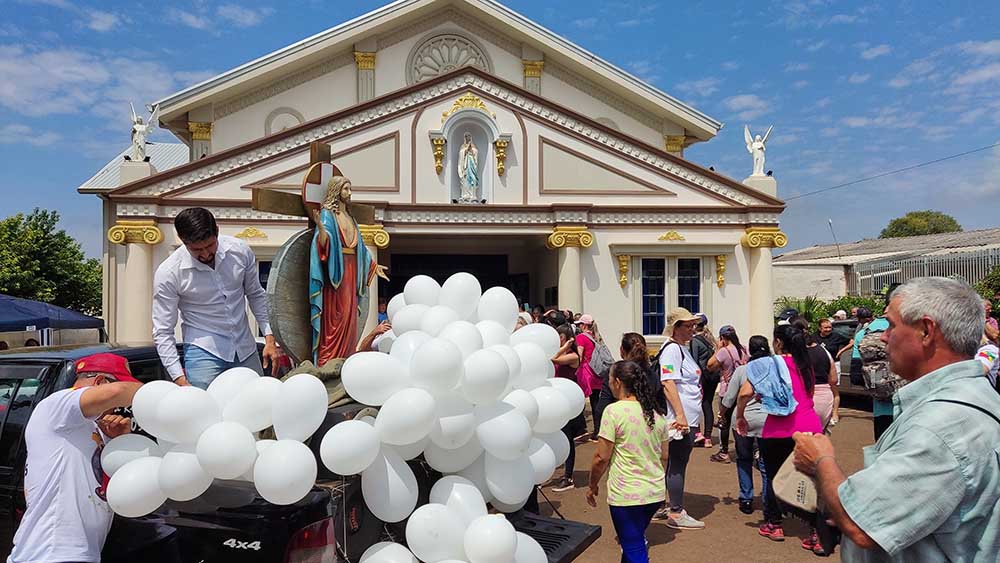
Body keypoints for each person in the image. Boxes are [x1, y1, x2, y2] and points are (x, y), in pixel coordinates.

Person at [793, 277, 1000, 562]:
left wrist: (820, 460)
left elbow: (862, 525)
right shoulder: (975, 398)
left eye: (891, 325)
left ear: (926, 331)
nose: (883, 336)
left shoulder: (939, 426)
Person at [8, 353, 142, 563]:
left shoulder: (98, 426)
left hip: (77, 554)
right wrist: (162, 394)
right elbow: (118, 391)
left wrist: (120, 441)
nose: (120, 407)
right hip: (50, 554)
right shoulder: (57, 406)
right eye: (119, 402)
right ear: (99, 382)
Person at [153, 208, 280, 389]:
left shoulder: (240, 251)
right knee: (205, 413)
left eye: (210, 245)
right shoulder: (168, 273)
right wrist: (179, 379)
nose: (205, 254)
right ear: (183, 241)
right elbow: (163, 331)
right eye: (196, 249)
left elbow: (256, 294)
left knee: (258, 406)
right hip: (202, 353)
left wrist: (269, 337)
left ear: (217, 231)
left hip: (245, 348)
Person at [736, 324, 823, 543]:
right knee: (811, 479)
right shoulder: (806, 365)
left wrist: (740, 415)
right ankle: (816, 532)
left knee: (775, 477)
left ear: (778, 342)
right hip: (809, 425)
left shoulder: (768, 364)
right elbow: (809, 394)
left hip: (778, 428)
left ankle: (774, 524)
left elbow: (745, 393)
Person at [587, 360, 672, 563]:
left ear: (617, 382)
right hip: (654, 492)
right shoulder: (658, 415)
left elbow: (601, 457)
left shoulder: (613, 412)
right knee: (632, 541)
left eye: (609, 381)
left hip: (626, 496)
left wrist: (592, 485)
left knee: (634, 547)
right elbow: (665, 456)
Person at [652, 307, 705, 529]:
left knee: (673, 462)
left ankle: (662, 506)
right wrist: (681, 415)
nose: (693, 328)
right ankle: (675, 511)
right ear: (676, 328)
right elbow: (668, 382)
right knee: (677, 463)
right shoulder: (673, 349)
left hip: (684, 416)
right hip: (680, 418)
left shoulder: (680, 348)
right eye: (688, 325)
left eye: (694, 324)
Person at [719, 335, 771, 515]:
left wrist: (722, 414)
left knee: (744, 459)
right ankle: (768, 499)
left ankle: (746, 497)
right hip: (768, 420)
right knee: (766, 463)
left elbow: (729, 398)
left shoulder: (743, 371)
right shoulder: (776, 369)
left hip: (743, 419)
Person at [706, 325, 749, 463]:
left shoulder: (724, 351)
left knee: (724, 421)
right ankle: (745, 449)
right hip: (743, 389)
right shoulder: (744, 349)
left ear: (722, 338)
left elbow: (710, 365)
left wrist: (718, 349)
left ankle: (724, 452)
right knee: (741, 419)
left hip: (727, 390)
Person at [551, 323, 583, 492]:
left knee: (567, 438)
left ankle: (568, 477)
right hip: (557, 400)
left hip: (568, 402)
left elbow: (553, 358)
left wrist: (565, 346)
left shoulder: (573, 356)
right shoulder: (566, 352)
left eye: (560, 337)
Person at [689, 315, 719, 447]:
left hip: (701, 377)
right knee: (708, 404)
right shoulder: (711, 340)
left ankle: (697, 434)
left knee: (696, 404)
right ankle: (708, 437)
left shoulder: (695, 341)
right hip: (713, 376)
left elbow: (694, 360)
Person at [575, 314, 604, 442]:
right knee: (596, 402)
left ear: (585, 325)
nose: (578, 327)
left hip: (587, 373)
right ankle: (598, 430)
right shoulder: (596, 337)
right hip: (597, 372)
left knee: (582, 401)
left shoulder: (581, 337)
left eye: (580, 324)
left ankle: (585, 430)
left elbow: (579, 356)